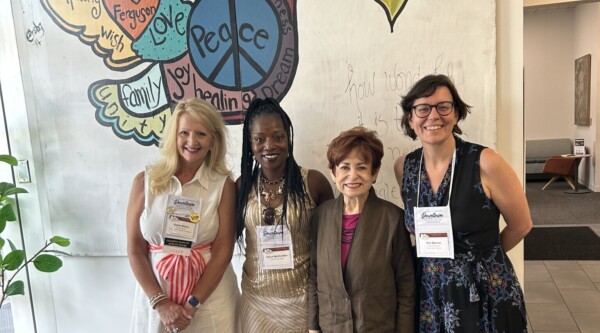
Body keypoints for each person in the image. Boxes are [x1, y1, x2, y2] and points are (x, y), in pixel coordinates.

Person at [394, 74, 532, 332]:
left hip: (483, 289)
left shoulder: (485, 162)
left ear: (456, 114)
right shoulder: (405, 167)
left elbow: (522, 225)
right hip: (430, 291)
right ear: (410, 118)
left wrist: (483, 258)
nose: (433, 116)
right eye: (423, 108)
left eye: (443, 107)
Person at [126, 98, 240, 333]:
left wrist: (192, 304)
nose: (191, 141)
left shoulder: (223, 186)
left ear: (213, 140)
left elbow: (223, 251)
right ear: (173, 136)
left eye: (201, 134)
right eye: (184, 133)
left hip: (211, 301)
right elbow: (135, 247)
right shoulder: (144, 182)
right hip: (157, 297)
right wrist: (160, 303)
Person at [235, 97, 334, 332]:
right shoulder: (242, 187)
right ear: (250, 143)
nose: (269, 146)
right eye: (260, 139)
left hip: (303, 303)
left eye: (278, 137)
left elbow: (330, 248)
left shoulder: (314, 182)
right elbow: (222, 240)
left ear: (288, 139)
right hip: (256, 303)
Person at [308, 126, 415, 333]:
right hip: (332, 326)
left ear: (374, 173)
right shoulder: (320, 216)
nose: (352, 175)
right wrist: (313, 327)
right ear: (333, 172)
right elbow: (314, 274)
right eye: (345, 167)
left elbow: (406, 285)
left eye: (362, 167)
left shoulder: (393, 218)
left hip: (378, 326)